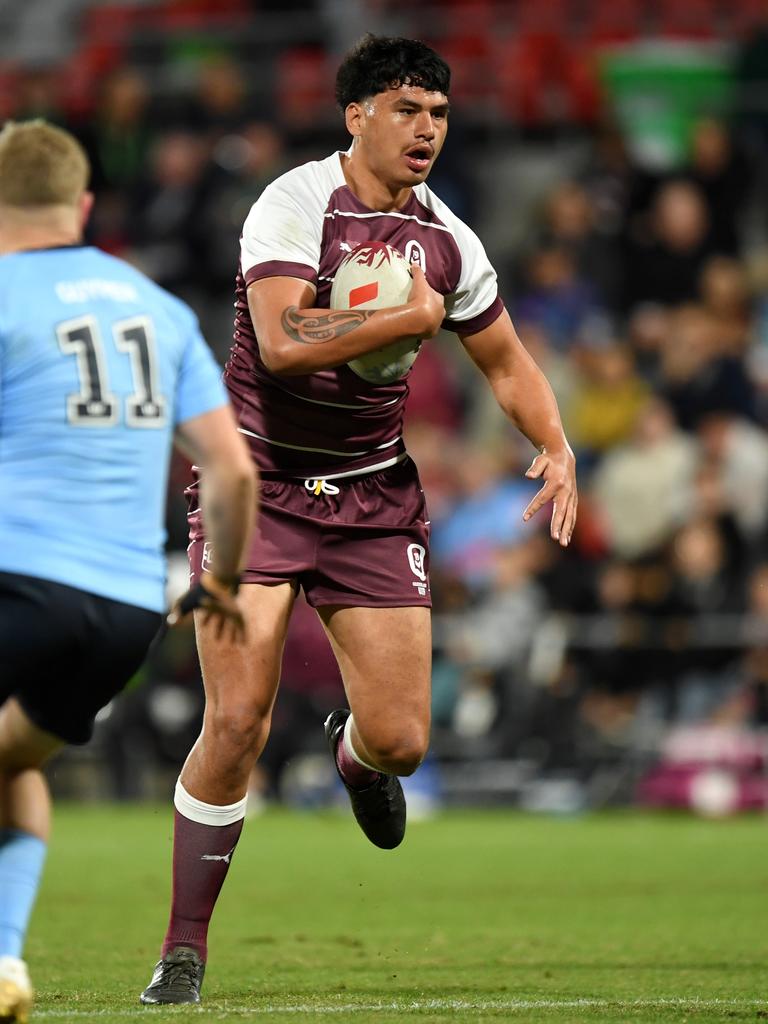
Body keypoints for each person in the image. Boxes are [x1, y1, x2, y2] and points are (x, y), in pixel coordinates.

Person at [140, 34, 578, 1006]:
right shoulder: (294, 204)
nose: (426, 130)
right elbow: (288, 341)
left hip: (372, 495)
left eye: (439, 114)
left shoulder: (449, 238)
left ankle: (352, 753)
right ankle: (183, 948)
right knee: (239, 717)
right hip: (255, 484)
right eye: (407, 109)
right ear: (357, 116)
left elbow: (506, 363)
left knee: (402, 740)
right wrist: (401, 321)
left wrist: (556, 441)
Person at [0, 119, 257, 1023]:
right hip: (123, 614)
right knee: (13, 763)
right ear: (81, 205)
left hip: (16, 583)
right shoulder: (158, 305)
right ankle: (2, 961)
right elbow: (231, 471)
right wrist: (220, 583)